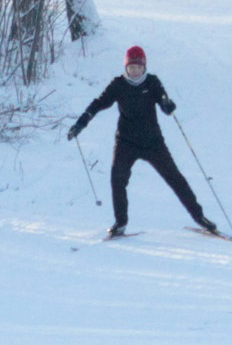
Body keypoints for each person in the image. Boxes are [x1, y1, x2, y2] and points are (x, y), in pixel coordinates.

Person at [66, 45, 218, 239]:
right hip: (126, 142)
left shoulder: (152, 83)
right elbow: (99, 103)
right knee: (117, 179)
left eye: (138, 67)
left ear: (144, 67)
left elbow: (163, 100)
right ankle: (120, 223)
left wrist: (167, 105)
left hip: (153, 142)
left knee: (175, 178)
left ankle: (200, 217)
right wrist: (81, 123)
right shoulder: (118, 85)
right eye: (131, 67)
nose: (135, 71)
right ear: (126, 67)